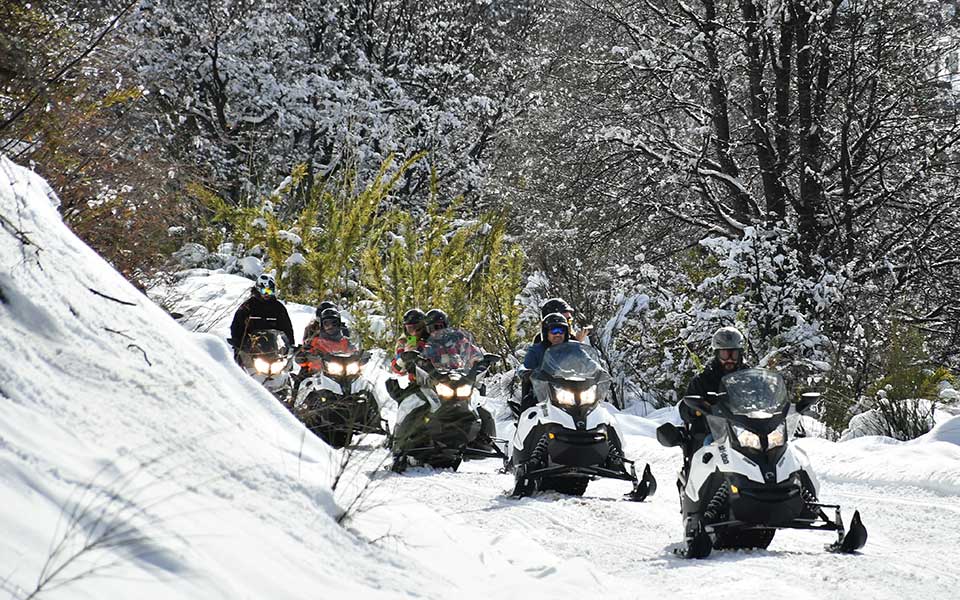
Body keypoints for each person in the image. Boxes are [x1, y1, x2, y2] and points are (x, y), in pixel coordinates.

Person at [678, 326, 749, 466]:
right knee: (708, 444)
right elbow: (684, 409)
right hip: (713, 432)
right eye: (725, 354)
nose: (730, 359)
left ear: (740, 354)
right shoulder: (703, 379)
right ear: (716, 354)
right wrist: (699, 407)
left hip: (746, 430)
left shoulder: (749, 377)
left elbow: (766, 398)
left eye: (734, 354)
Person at [517, 313, 573, 413]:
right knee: (528, 407)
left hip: (571, 389)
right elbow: (525, 366)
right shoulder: (536, 350)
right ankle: (524, 420)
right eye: (554, 331)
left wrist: (598, 370)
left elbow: (588, 361)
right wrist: (526, 372)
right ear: (546, 332)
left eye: (561, 331)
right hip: (543, 393)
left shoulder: (573, 349)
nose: (558, 334)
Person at [229, 274, 295, 360]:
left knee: (284, 365)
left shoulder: (278, 307)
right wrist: (237, 342)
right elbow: (236, 325)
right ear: (258, 290)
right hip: (249, 350)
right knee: (240, 363)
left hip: (272, 350)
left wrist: (290, 345)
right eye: (265, 291)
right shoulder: (248, 306)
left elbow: (287, 328)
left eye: (270, 291)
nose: (267, 294)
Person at [297, 307, 354, 375]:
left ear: (339, 324)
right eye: (326, 323)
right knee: (304, 379)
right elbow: (304, 357)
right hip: (317, 375)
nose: (330, 326)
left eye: (334, 323)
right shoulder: (315, 342)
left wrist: (361, 356)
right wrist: (302, 357)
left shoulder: (345, 341)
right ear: (322, 325)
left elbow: (355, 351)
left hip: (343, 374)